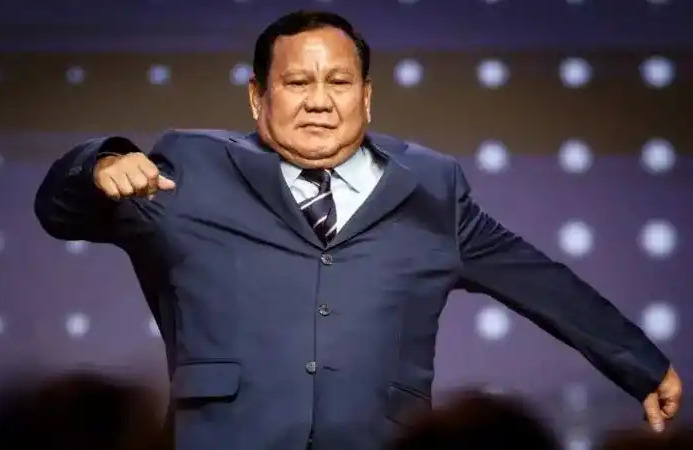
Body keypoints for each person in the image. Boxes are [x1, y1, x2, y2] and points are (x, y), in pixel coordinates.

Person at [34, 10, 682, 450]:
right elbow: (59, 213)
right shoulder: (192, 167)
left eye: (339, 82)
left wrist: (642, 366)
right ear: (258, 97)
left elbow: (540, 283)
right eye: (297, 82)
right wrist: (102, 164)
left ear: (366, 96)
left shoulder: (432, 188)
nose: (320, 100)